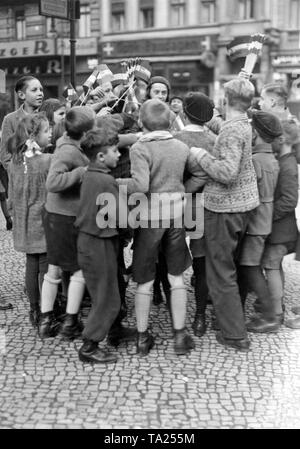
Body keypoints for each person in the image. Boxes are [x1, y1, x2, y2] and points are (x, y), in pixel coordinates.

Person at [117, 99, 194, 357]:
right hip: (176, 216)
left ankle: (142, 337)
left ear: (141, 122)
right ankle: (181, 335)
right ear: (170, 121)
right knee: (176, 277)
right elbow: (197, 173)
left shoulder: (140, 148)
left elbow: (140, 185)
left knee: (144, 279)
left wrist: (113, 182)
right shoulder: (182, 146)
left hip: (149, 219)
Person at [190, 77, 259, 352]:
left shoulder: (232, 131)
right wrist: (214, 124)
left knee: (221, 272)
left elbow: (227, 173)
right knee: (230, 267)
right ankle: (228, 322)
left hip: (223, 208)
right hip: (242, 207)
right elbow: (230, 134)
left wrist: (200, 155)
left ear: (224, 100)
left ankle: (234, 334)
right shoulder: (243, 124)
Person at [76, 127, 132, 363]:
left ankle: (114, 330)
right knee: (107, 298)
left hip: (91, 240)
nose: (119, 155)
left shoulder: (89, 174)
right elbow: (121, 217)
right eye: (114, 151)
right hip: (99, 243)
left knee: (108, 291)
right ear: (101, 156)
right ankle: (89, 345)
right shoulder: (106, 181)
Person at [38, 106, 96, 340]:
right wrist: (82, 171)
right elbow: (53, 182)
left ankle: (46, 321)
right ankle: (70, 323)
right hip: (65, 219)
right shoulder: (68, 153)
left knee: (55, 270)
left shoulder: (66, 140)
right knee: (78, 270)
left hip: (57, 216)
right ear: (84, 133)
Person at [175, 92, 216, 337]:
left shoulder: (176, 138)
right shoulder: (215, 139)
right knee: (201, 264)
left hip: (177, 206)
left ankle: (172, 313)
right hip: (205, 207)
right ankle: (200, 316)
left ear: (184, 112)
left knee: (173, 262)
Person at [7, 113, 52, 326]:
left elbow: (12, 196)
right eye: (46, 130)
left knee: (31, 265)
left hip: (23, 223)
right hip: (42, 222)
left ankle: (34, 310)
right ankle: (46, 310)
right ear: (34, 136)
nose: (50, 132)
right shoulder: (46, 161)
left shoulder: (14, 163)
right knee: (45, 267)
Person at [238, 111, 281, 332]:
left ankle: (270, 316)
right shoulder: (271, 158)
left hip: (255, 222)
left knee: (250, 266)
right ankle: (267, 313)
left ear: (255, 132)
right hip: (265, 219)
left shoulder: (255, 160)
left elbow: (246, 192)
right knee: (250, 266)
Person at [256, 120, 299, 332]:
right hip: (281, 229)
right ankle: (277, 307)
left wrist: (268, 215)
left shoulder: (288, 165)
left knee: (271, 266)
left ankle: (275, 316)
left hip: (281, 230)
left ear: (281, 140)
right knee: (274, 266)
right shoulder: (283, 159)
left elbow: (290, 200)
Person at [0, 76, 44, 170]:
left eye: (41, 90)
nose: (40, 93)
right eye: (34, 90)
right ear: (21, 95)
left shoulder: (47, 117)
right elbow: (5, 156)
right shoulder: (10, 120)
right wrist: (19, 175)